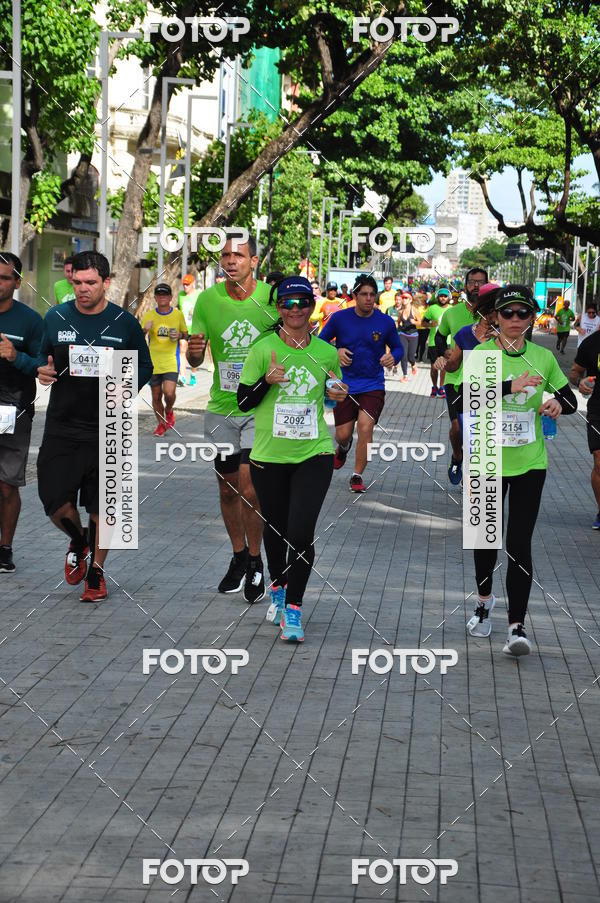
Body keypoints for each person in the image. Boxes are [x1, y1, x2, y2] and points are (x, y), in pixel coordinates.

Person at [467, 284, 577, 655]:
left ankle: (517, 627)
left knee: (518, 544)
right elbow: (467, 398)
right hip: (486, 460)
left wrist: (558, 405)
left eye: (523, 313)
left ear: (532, 319)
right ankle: (484, 604)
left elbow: (570, 398)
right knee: (485, 541)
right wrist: (510, 385)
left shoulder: (543, 358)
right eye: (508, 313)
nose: (516, 320)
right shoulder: (481, 354)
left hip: (530, 462)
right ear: (495, 317)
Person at [36, 251, 152, 602]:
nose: (83, 289)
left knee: (104, 507)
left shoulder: (123, 322)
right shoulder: (55, 317)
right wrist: (41, 371)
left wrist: (127, 386)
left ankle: (97, 575)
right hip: (62, 425)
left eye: (90, 283)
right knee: (54, 502)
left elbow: (144, 366)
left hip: (111, 426)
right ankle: (79, 541)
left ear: (106, 283)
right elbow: (44, 360)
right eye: (77, 283)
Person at [237, 276, 348, 642]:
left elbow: (334, 394)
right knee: (276, 527)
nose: (296, 309)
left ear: (312, 306)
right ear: (279, 308)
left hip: (313, 452)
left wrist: (338, 393)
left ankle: (294, 610)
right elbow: (242, 402)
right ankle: (278, 585)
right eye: (288, 303)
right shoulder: (262, 349)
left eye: (302, 302)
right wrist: (265, 382)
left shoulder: (326, 352)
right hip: (268, 456)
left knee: (301, 532)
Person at [187, 237, 274, 602]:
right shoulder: (208, 300)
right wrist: (193, 354)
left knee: (249, 486)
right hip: (222, 408)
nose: (230, 260)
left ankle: (257, 561)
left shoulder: (271, 298)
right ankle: (238, 556)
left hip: (260, 408)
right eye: (225, 255)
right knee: (227, 488)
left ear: (253, 260)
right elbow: (195, 358)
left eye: (238, 255)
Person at [319, 274, 403, 492]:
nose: (368, 298)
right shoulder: (339, 318)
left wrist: (393, 357)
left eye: (372, 294)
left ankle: (357, 476)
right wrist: (335, 352)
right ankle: (343, 448)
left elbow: (398, 347)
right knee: (343, 434)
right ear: (354, 296)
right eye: (364, 294)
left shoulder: (385, 321)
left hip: (373, 384)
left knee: (366, 427)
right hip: (343, 385)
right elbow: (319, 343)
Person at [0, 252, 45, 573]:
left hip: (12, 409)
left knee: (6, 485)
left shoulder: (30, 321)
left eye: (4, 277)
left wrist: (16, 356)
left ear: (17, 282)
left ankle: (6, 547)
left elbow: (43, 367)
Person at [434, 268, 488, 483]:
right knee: (458, 427)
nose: (476, 286)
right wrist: (443, 353)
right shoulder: (452, 313)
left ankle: (476, 476)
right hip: (455, 379)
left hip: (485, 381)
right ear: (465, 286)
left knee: (478, 431)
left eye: (481, 282)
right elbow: (439, 338)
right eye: (472, 282)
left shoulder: (495, 314)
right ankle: (457, 456)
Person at [142, 284, 188, 437]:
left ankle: (169, 410)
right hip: (153, 362)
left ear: (170, 297)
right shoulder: (148, 315)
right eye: (159, 294)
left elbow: (186, 335)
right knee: (156, 396)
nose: (162, 297)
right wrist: (144, 330)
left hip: (170, 361)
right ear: (155, 297)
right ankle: (161, 424)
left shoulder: (177, 315)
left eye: (165, 295)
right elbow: (138, 336)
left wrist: (179, 336)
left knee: (169, 393)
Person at [569, 327, 600, 528]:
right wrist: (580, 382)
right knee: (599, 460)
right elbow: (574, 372)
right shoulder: (591, 343)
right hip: (598, 410)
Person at [422, 287, 450, 397]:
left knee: (444, 366)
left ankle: (442, 387)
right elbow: (422, 322)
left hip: (447, 341)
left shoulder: (452, 309)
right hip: (434, 342)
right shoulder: (432, 308)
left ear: (449, 298)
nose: (443, 298)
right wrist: (430, 325)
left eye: (445, 296)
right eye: (441, 296)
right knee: (434, 367)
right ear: (438, 297)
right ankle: (434, 387)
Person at [177, 274, 200, 386]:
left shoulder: (199, 295)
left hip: (195, 328)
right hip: (183, 329)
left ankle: (193, 375)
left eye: (187, 284)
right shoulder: (180, 295)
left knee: (194, 354)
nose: (185, 287)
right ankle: (182, 376)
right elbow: (178, 308)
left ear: (193, 284)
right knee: (182, 349)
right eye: (184, 284)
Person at [395, 290, 420, 382]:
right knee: (403, 355)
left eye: (406, 298)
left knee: (410, 357)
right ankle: (405, 376)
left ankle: (413, 364)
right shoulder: (400, 312)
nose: (404, 299)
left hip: (413, 335)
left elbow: (420, 322)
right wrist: (396, 325)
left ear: (410, 300)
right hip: (403, 334)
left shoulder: (414, 311)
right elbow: (398, 322)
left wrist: (415, 322)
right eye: (403, 298)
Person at [414, 291, 429, 362]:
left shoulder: (429, 307)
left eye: (425, 299)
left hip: (426, 328)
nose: (424, 300)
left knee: (423, 343)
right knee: (417, 342)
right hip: (418, 327)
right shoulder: (417, 306)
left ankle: (421, 357)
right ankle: (416, 353)